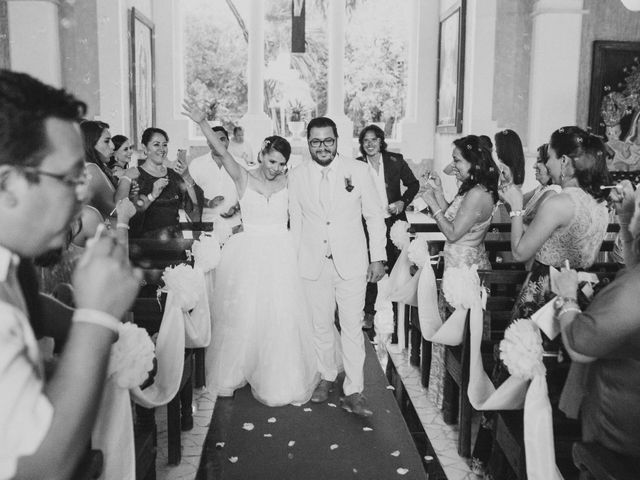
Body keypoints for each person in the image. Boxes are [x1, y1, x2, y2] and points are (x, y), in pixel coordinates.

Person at [0, 69, 140, 479]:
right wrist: (96, 316)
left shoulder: (15, 263)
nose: (83, 194)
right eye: (69, 179)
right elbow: (41, 470)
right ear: (8, 184)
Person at [474, 126, 612, 477]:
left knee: (515, 370)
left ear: (565, 162)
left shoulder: (559, 202)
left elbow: (521, 253)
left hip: (541, 296)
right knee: (551, 380)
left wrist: (517, 208)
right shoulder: (599, 206)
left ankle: (496, 462)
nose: (545, 164)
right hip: (578, 297)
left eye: (548, 157)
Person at [182, 99, 319, 407]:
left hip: (282, 252)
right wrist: (203, 123)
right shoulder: (243, 176)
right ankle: (233, 372)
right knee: (243, 312)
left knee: (280, 313)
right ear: (261, 155)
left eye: (282, 163)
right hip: (248, 252)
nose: (277, 169)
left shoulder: (290, 179)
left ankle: (279, 377)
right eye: (272, 162)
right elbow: (221, 151)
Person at [288, 116, 387, 417]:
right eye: (316, 141)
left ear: (337, 140)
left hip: (352, 262)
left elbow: (374, 216)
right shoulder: (297, 175)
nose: (322, 147)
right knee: (319, 325)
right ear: (308, 143)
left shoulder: (357, 170)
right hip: (312, 263)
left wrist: (377, 257)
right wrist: (294, 262)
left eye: (328, 140)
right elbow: (296, 221)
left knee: (353, 327)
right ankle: (326, 376)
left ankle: (354, 391)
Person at [551, 182, 640, 464]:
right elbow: (633, 264)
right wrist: (626, 218)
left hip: (620, 435)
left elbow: (580, 343)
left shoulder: (632, 291)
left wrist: (567, 298)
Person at [418, 135, 500, 408]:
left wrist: (431, 203)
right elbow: (452, 216)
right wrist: (439, 192)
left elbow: (452, 232)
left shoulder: (478, 194)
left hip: (464, 270)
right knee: (449, 330)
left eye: (457, 160)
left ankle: (452, 401)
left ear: (474, 162)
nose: (453, 166)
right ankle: (445, 397)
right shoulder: (472, 189)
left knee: (455, 334)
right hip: (457, 263)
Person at [356, 124, 419, 332]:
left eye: (374, 140)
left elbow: (414, 184)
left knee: (397, 268)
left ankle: (397, 315)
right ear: (361, 144)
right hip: (368, 225)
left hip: (394, 222)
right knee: (371, 266)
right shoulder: (357, 165)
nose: (370, 144)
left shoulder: (395, 161)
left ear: (381, 141)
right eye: (366, 141)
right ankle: (368, 313)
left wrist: (402, 202)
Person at [115, 127, 198, 239]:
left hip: (173, 246)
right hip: (142, 247)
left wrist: (186, 176)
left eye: (164, 145)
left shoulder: (174, 175)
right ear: (145, 147)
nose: (162, 149)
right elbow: (120, 214)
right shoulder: (132, 175)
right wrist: (152, 196)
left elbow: (193, 209)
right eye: (156, 144)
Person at [188, 125, 243, 230]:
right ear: (208, 142)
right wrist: (208, 203)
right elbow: (189, 195)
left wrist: (236, 208)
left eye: (222, 139)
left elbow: (248, 193)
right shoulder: (197, 164)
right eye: (213, 140)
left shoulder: (240, 164)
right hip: (206, 224)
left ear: (228, 141)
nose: (218, 143)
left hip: (234, 224)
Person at [79, 120, 117, 218]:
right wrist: (126, 180)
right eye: (106, 141)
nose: (112, 146)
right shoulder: (91, 169)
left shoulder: (84, 167)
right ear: (90, 143)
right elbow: (116, 211)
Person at [522, 143, 561, 227]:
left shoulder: (553, 191)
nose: (534, 166)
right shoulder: (542, 188)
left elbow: (529, 222)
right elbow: (519, 201)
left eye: (539, 161)